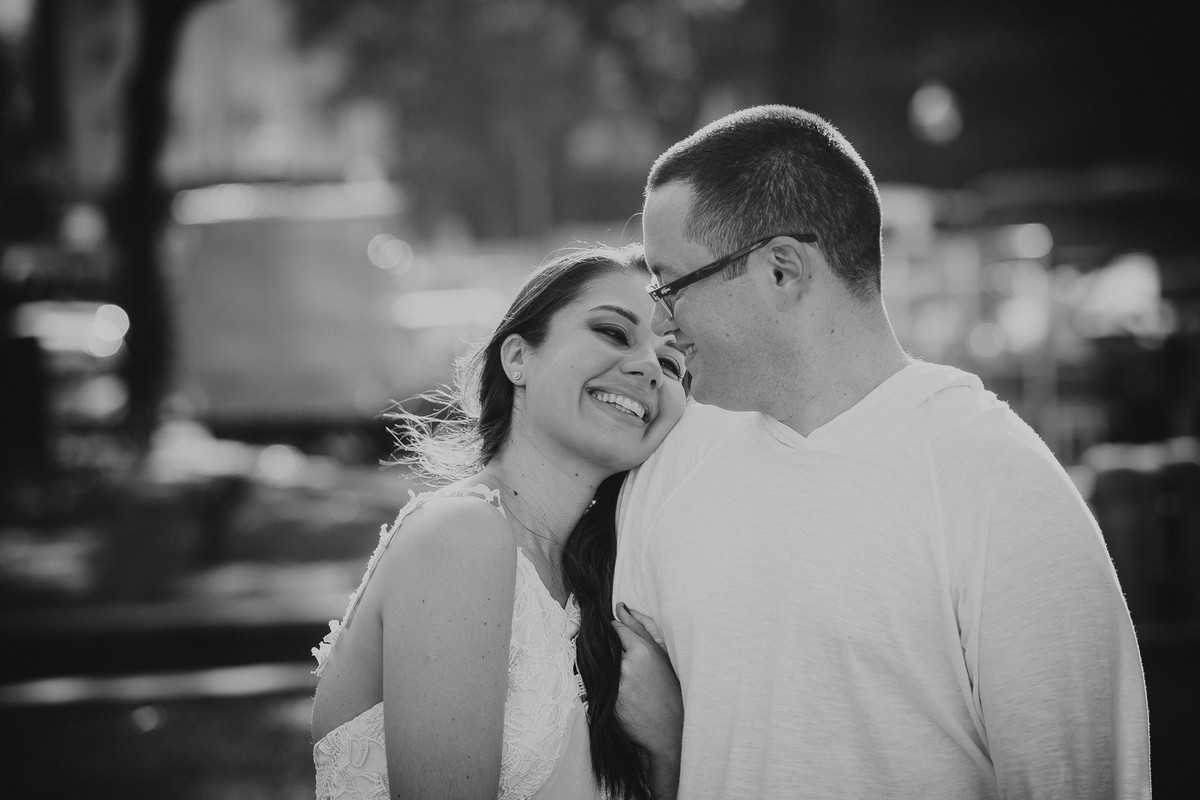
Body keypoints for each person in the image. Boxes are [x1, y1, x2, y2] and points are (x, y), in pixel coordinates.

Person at [613, 105, 1151, 798]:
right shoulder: (672, 469)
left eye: (671, 285)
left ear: (782, 270)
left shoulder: (995, 484)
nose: (657, 321)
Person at [311, 244, 687, 799]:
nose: (649, 368)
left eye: (674, 363)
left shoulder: (611, 588)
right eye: (613, 332)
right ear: (518, 358)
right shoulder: (461, 537)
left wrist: (667, 742)